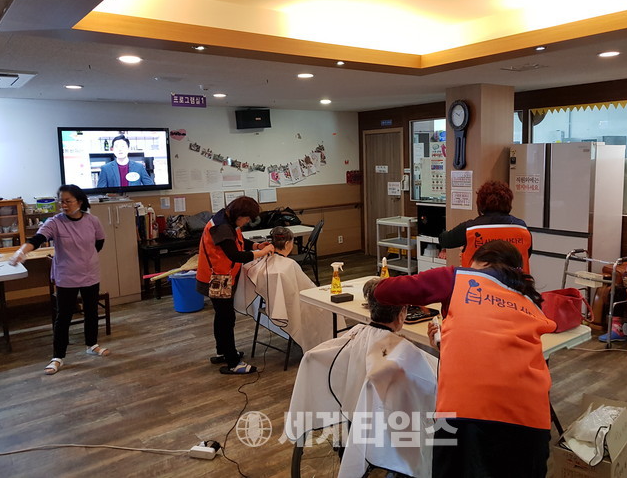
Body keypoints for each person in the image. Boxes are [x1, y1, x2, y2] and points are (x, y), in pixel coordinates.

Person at [373, 240, 556, 478]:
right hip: (532, 420)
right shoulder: (529, 300)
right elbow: (494, 347)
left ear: (482, 262)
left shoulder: (459, 277)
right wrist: (446, 342)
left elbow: (383, 292)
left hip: (467, 412)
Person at [286, 279, 438, 478]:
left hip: (353, 408)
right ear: (402, 314)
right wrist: (438, 348)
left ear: (370, 308)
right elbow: (435, 380)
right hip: (392, 419)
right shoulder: (405, 352)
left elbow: (315, 357)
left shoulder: (355, 335)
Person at [9, 185, 108, 375]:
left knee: (91, 312)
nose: (63, 205)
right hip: (66, 276)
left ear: (79, 201)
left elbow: (99, 242)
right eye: (61, 201)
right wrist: (22, 251)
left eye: (68, 201)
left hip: (90, 273)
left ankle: (92, 345)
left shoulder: (92, 221)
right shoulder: (54, 222)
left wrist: (86, 258)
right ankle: (58, 357)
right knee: (63, 317)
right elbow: (37, 239)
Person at [196, 196, 275, 374]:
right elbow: (235, 255)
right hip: (217, 279)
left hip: (219, 276)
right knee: (226, 319)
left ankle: (223, 352)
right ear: (239, 215)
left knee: (222, 317)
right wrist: (261, 252)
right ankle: (233, 363)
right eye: (247, 218)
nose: (247, 222)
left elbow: (238, 242)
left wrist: (256, 245)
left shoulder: (226, 218)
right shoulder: (221, 226)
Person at [438, 180, 532, 271]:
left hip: (478, 280)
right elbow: (527, 254)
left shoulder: (470, 229)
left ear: (480, 203)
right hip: (516, 280)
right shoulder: (522, 228)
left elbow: (444, 240)